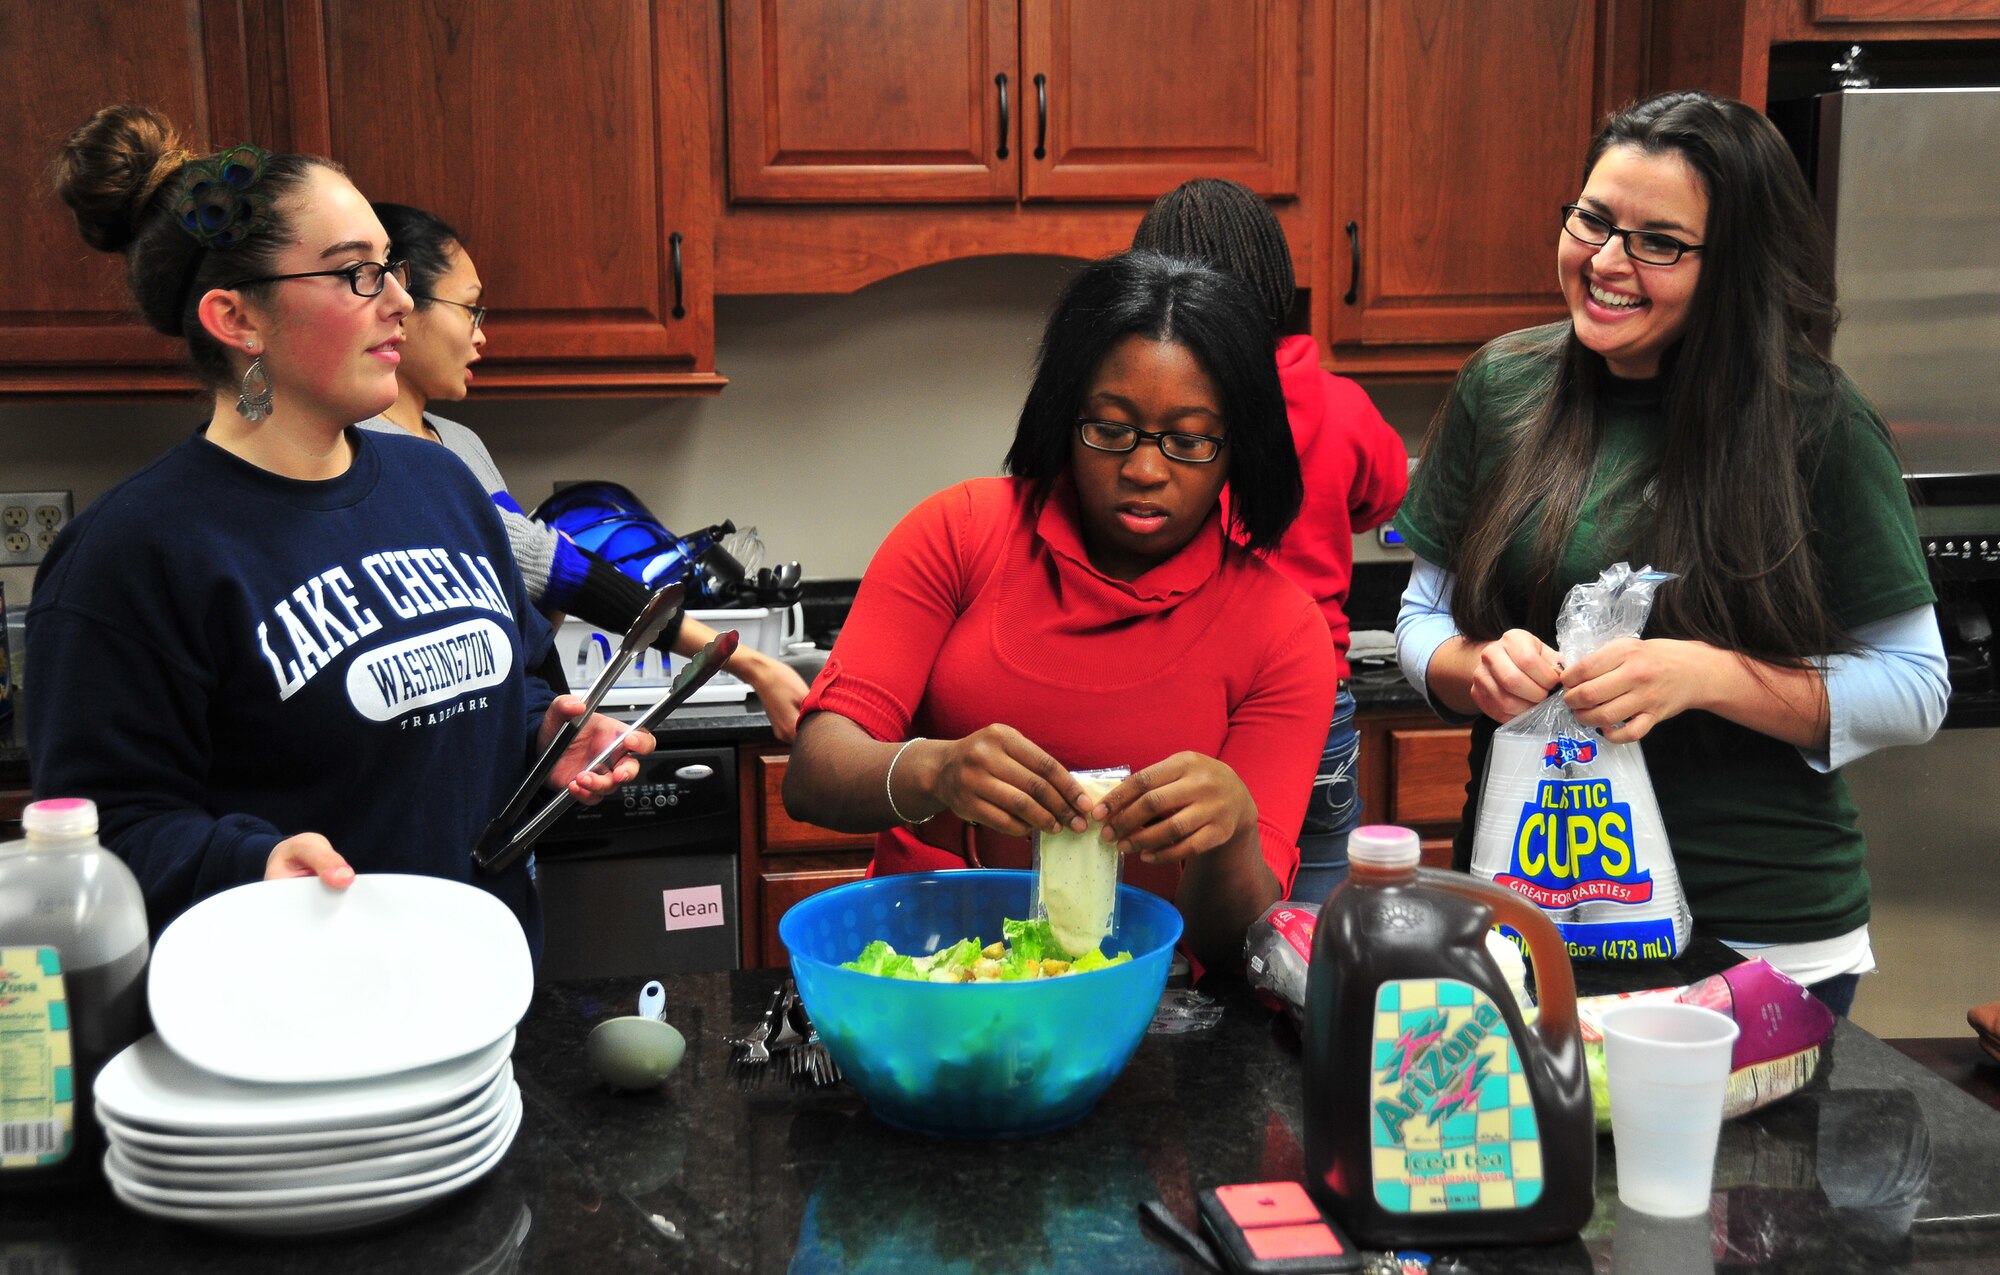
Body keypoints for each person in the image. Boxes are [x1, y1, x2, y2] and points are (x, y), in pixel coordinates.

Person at [30, 105, 650, 955]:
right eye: (357, 274)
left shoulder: (442, 485)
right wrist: (249, 862)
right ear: (236, 320)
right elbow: (102, 836)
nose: (399, 300)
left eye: (389, 267)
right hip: (291, 1032)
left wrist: (549, 734)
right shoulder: (130, 555)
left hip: (482, 1003)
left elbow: (518, 687)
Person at [1392, 91, 1949, 1015]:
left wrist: (1704, 675)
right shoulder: (1504, 386)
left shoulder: (1817, 423)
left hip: (1756, 944)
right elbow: (1418, 622)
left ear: (1732, 266)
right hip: (1531, 924)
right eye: (1593, 221)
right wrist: (1475, 667)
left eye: (1660, 242)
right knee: (1539, 1163)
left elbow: (1916, 684)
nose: (1607, 263)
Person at [781, 251, 1337, 971]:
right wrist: (936, 770)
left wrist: (1231, 831)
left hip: (1139, 1010)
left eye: (1190, 441)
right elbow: (813, 773)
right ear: (1065, 417)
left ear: (1238, 450)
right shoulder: (958, 535)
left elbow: (1233, 948)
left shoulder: (1283, 632)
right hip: (924, 980)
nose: (1144, 468)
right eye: (1110, 429)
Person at [357, 202, 811, 739]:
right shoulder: (377, 453)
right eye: (471, 310)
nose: (481, 334)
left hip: (524, 730)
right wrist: (748, 663)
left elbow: (537, 587)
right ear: (403, 307)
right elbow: (554, 567)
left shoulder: (459, 441)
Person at [1132, 178, 1408, 903]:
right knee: (1309, 917)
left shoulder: (1157, 409)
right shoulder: (1341, 403)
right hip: (1320, 699)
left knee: (1178, 908)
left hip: (1194, 697)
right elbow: (1382, 496)